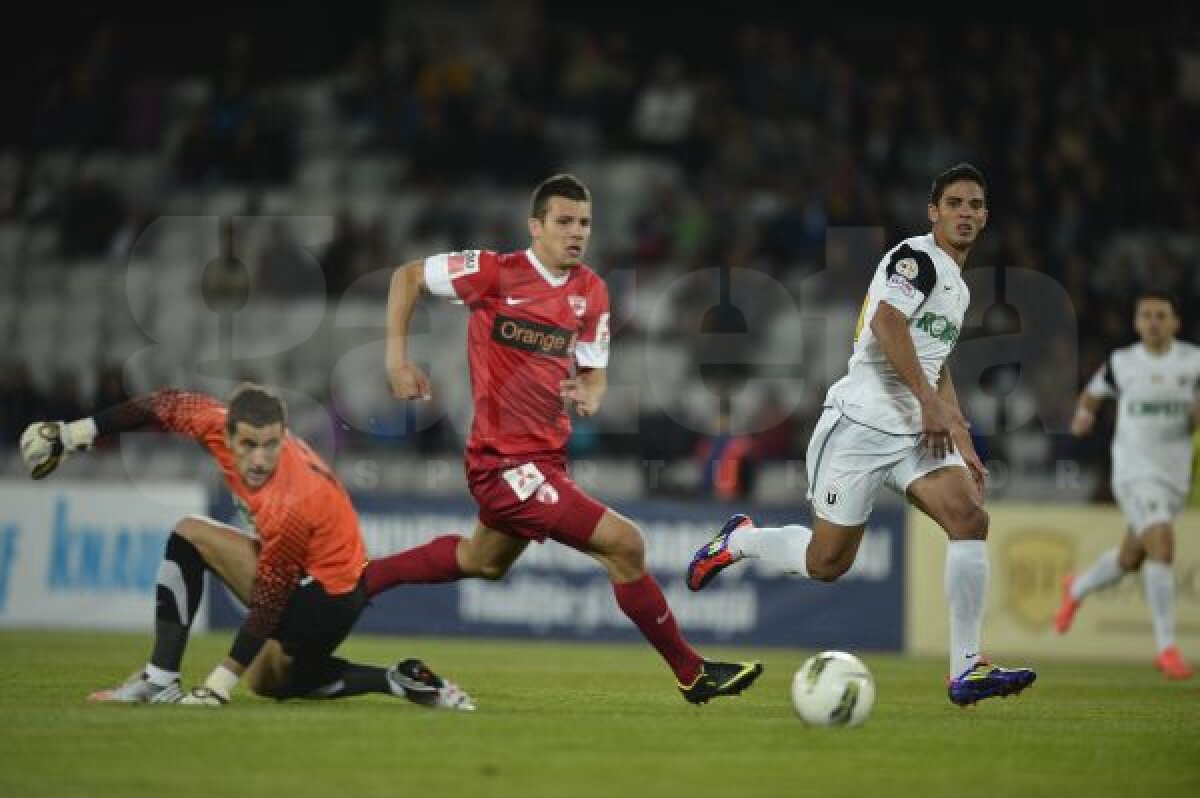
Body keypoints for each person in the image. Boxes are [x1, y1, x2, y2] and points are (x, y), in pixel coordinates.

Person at [370, 173, 762, 704]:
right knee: (626, 544)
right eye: (564, 221)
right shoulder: (494, 272)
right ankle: (692, 672)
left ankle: (361, 580)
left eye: (585, 223)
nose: (576, 232)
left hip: (545, 462)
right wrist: (397, 359)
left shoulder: (592, 292)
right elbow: (408, 276)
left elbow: (594, 371)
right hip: (503, 464)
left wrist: (592, 391)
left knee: (483, 561)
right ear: (536, 226)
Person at [686, 163, 1037, 707]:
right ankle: (738, 541)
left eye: (974, 205)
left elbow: (935, 362)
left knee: (969, 517)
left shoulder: (958, 288)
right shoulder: (915, 259)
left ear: (986, 216)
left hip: (914, 433)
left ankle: (967, 669)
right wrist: (926, 405)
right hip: (858, 424)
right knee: (827, 564)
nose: (965, 213)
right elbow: (886, 324)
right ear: (933, 212)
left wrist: (959, 430)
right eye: (955, 204)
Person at [19, 384, 474, 709]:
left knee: (190, 533)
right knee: (270, 682)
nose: (260, 459)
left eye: (272, 445)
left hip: (329, 598)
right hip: (322, 580)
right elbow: (162, 404)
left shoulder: (290, 499)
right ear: (227, 433)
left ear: (284, 437)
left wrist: (218, 684)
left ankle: (160, 680)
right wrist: (74, 433)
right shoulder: (212, 421)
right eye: (249, 445)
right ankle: (396, 681)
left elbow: (271, 600)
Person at [1056, 292, 1198, 680]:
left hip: (1175, 476)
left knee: (1131, 558)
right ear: (1137, 324)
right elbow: (1092, 394)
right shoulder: (1122, 363)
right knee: (1163, 543)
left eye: (1161, 316)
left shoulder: (1193, 362)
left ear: (1175, 323)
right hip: (1134, 471)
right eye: (1146, 316)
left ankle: (1077, 589)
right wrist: (1084, 416)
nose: (1153, 321)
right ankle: (1167, 648)